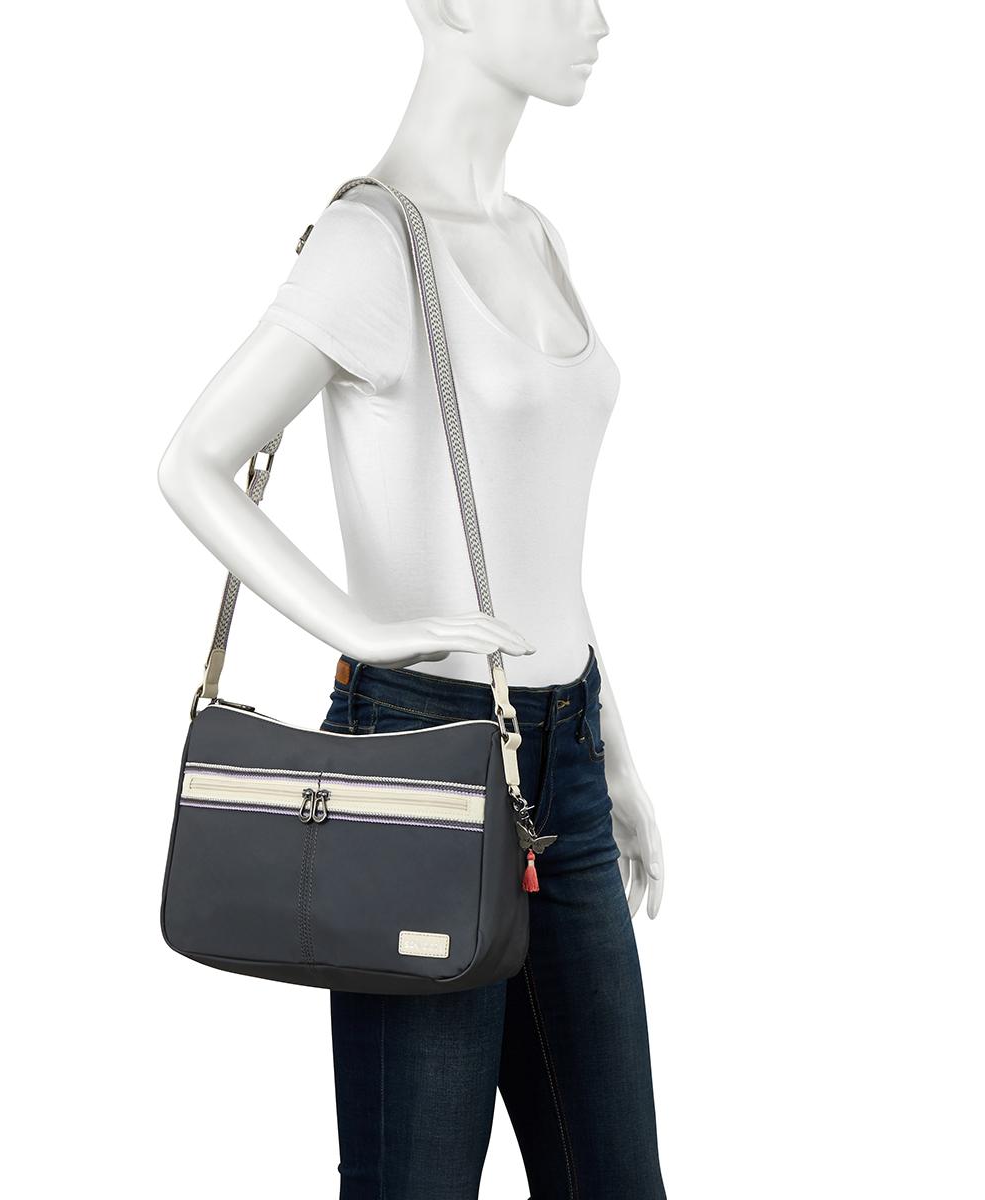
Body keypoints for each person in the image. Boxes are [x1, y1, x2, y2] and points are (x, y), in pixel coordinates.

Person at [158, 2, 667, 1195]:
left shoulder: (537, 237)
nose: (599, 19)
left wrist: (611, 748)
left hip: (564, 759)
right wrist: (362, 631)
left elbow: (535, 537)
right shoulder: (369, 245)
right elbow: (192, 461)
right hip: (420, 758)